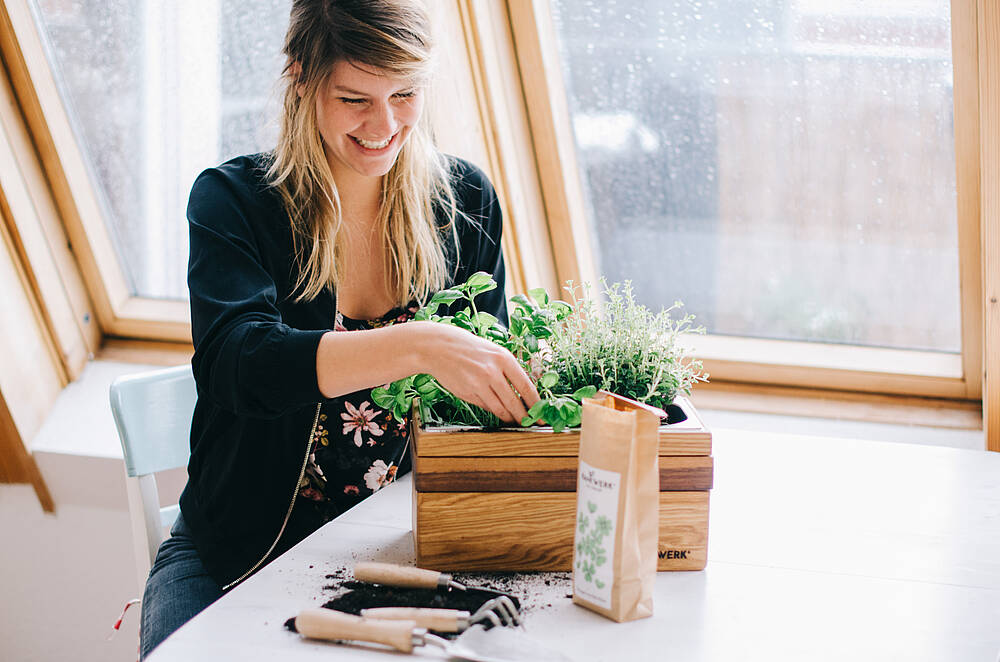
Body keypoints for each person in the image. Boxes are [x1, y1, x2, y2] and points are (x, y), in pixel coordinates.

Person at [138, 1, 539, 657]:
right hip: (238, 552)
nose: (385, 125)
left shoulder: (463, 203)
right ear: (300, 75)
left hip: (399, 550)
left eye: (405, 94)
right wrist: (419, 344)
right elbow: (240, 366)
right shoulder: (236, 201)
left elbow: (486, 406)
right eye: (356, 98)